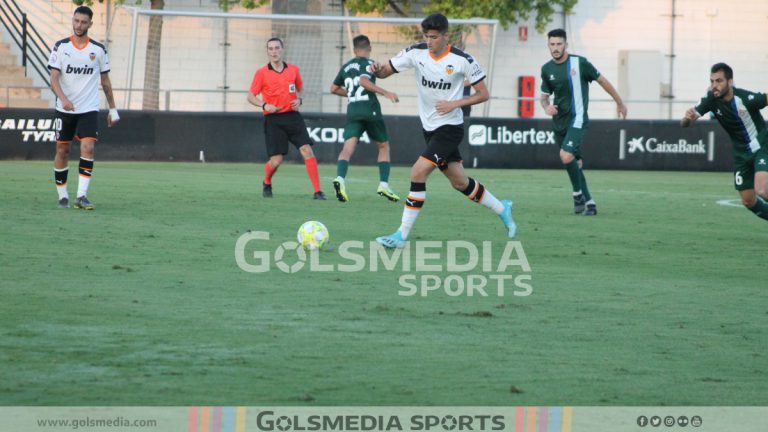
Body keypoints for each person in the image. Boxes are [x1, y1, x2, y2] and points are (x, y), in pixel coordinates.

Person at [370, 13, 516, 248]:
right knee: (460, 182)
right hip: (429, 128)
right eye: (426, 36)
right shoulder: (416, 53)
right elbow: (386, 71)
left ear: (446, 36)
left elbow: (483, 94)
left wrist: (453, 104)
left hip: (450, 128)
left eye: (434, 37)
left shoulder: (462, 60)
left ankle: (400, 235)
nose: (429, 41)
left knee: (418, 172)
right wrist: (377, 70)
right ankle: (503, 208)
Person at [540, 28, 627, 216]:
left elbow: (602, 81)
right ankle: (589, 203)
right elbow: (544, 97)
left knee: (565, 156)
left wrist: (619, 102)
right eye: (552, 44)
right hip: (559, 124)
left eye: (559, 44)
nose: (555, 48)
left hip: (578, 120)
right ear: (548, 45)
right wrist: (546, 107)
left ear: (566, 45)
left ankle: (577, 193)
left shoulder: (579, 63)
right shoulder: (546, 69)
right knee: (575, 163)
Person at [48, 5, 119, 210]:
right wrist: (64, 99)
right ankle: (63, 196)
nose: (79, 25)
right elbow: (54, 78)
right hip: (65, 109)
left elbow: (105, 81)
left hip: (88, 108)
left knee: (88, 147)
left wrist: (113, 110)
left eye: (83, 22)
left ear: (90, 24)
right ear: (73, 20)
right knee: (63, 149)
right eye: (76, 21)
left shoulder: (98, 50)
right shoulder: (61, 47)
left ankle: (81, 196)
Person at [682, 62, 768, 221]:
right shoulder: (710, 100)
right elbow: (685, 124)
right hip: (740, 154)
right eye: (712, 81)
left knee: (762, 190)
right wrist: (687, 118)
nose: (715, 85)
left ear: (730, 82)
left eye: (719, 81)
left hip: (762, 146)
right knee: (748, 200)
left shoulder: (745, 98)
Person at [247, 37, 326, 200]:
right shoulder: (261, 73)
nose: (274, 51)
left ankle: (318, 192)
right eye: (271, 49)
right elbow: (250, 96)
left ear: (282, 50)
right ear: (267, 52)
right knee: (276, 161)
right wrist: (263, 106)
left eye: (277, 48)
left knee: (307, 150)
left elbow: (301, 90)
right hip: (273, 120)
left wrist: (300, 99)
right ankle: (267, 181)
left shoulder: (293, 70)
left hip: (293, 117)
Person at [330, 35, 400, 203]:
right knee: (383, 146)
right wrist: (386, 92)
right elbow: (363, 81)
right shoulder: (369, 63)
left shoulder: (346, 67)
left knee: (347, 148)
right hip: (369, 109)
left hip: (353, 110)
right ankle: (383, 185)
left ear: (354, 50)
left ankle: (340, 179)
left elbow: (333, 88)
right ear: (369, 48)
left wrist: (351, 94)